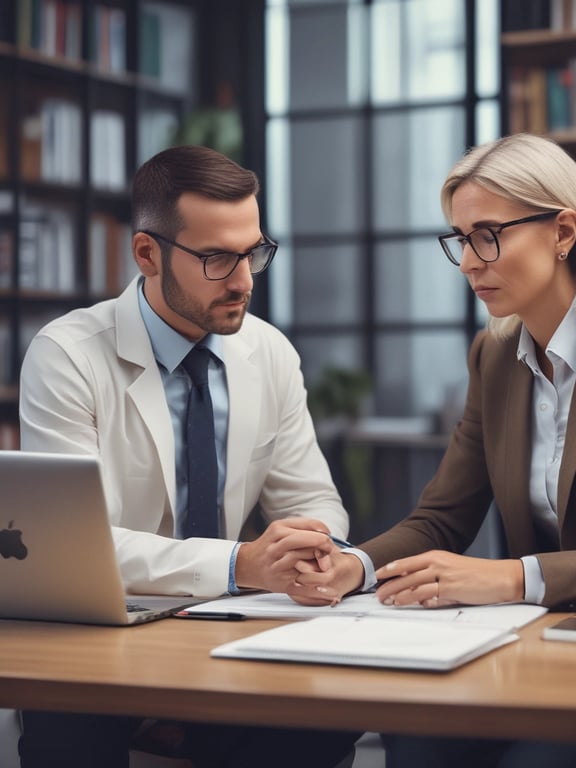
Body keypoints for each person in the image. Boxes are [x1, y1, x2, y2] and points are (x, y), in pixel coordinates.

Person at [292, 133, 576, 768]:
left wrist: (513, 577)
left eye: (488, 234)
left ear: (564, 231)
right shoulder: (495, 357)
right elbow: (442, 518)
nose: (468, 261)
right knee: (417, 738)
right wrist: (356, 568)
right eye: (460, 239)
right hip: (548, 644)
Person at [17, 145, 360, 767]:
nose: (244, 279)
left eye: (253, 251)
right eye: (216, 258)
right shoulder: (67, 355)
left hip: (224, 629)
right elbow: (75, 546)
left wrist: (311, 549)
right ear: (147, 253)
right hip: (101, 634)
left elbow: (314, 500)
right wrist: (242, 563)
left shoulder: (269, 352)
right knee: (67, 738)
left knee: (325, 723)